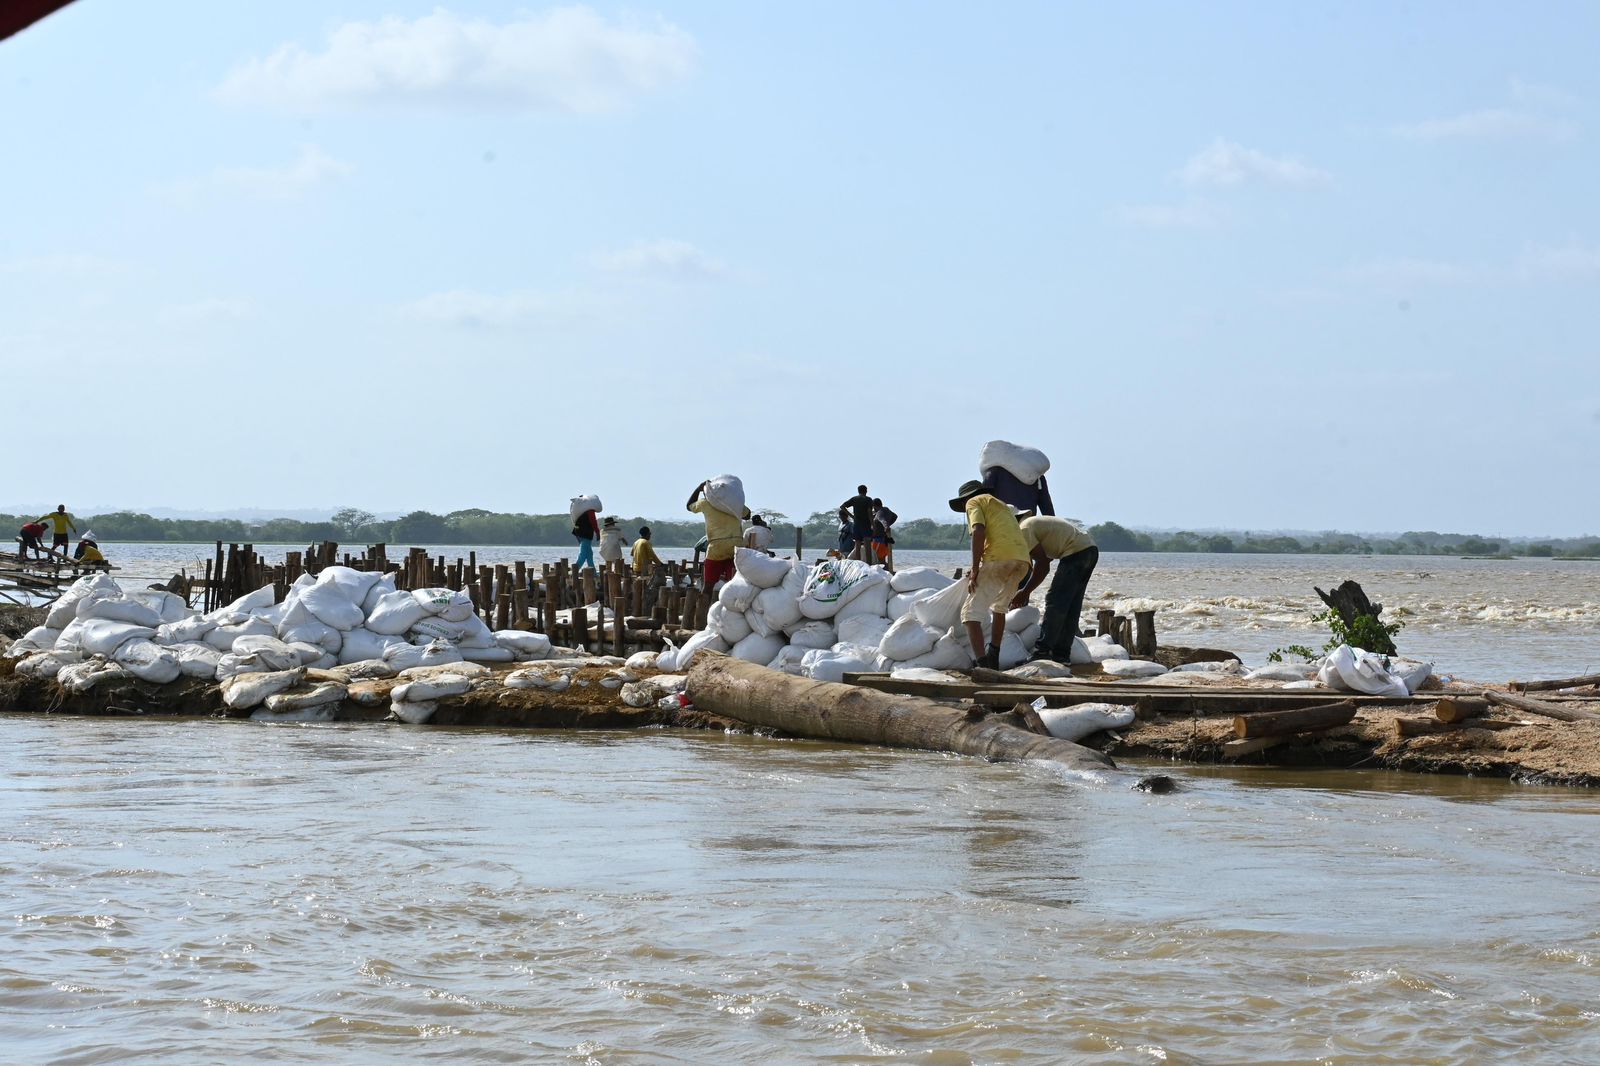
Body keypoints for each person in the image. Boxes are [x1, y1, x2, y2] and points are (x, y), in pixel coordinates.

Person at [949, 479, 1031, 669]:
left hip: (999, 559)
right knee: (999, 608)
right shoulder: (1000, 505)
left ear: (965, 500)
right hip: (1022, 561)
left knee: (969, 614)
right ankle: (993, 656)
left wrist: (975, 568)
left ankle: (982, 664)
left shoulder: (973, 502)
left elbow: (978, 531)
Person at [1012, 516, 1099, 661]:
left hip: (1075, 553)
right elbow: (1044, 558)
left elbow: (1043, 565)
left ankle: (1042, 651)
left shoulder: (1023, 529)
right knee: (1071, 605)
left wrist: (1025, 592)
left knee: (1055, 601)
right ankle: (1062, 655)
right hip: (1089, 550)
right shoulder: (1033, 525)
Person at [687, 480, 748, 590]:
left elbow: (689, 506)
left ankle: (706, 599)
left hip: (716, 548)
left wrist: (698, 489)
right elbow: (747, 515)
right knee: (735, 583)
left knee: (708, 585)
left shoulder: (704, 503)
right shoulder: (733, 504)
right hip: (736, 547)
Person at [980, 466, 1054, 518]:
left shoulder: (994, 470)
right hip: (1027, 524)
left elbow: (982, 497)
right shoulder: (1036, 475)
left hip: (1002, 522)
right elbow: (1047, 508)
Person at [840, 485, 875, 560]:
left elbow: (842, 506)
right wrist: (873, 524)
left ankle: (858, 563)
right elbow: (869, 512)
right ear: (866, 491)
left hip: (856, 525)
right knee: (867, 546)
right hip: (866, 524)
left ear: (858, 491)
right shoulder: (868, 499)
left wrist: (852, 516)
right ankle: (869, 563)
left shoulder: (854, 499)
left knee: (857, 546)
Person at [871, 497, 897, 569]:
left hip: (879, 540)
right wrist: (889, 523)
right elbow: (895, 516)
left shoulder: (879, 513)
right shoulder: (886, 510)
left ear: (874, 506)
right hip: (883, 540)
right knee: (882, 560)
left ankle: (887, 571)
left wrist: (886, 526)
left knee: (880, 560)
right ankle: (889, 571)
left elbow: (882, 520)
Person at [572, 506, 600, 570]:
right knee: (583, 554)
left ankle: (593, 572)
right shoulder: (590, 511)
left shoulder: (582, 512)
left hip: (579, 533)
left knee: (589, 554)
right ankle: (575, 571)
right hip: (585, 535)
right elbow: (593, 522)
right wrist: (597, 532)